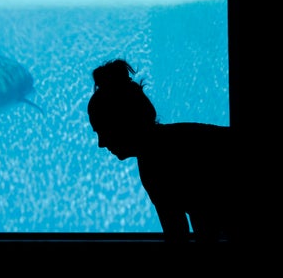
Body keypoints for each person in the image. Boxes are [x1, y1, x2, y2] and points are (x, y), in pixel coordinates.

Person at [87, 58, 242, 244]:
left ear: (125, 124)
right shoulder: (166, 149)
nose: (101, 143)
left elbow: (182, 233)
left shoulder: (156, 164)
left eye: (104, 131)